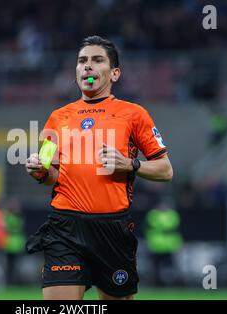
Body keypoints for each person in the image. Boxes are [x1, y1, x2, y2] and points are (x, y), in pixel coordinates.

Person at [25, 36, 173, 300]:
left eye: (97, 60)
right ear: (75, 72)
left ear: (115, 73)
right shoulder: (57, 118)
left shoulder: (134, 114)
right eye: (82, 61)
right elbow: (50, 174)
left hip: (112, 229)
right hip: (65, 227)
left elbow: (166, 170)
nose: (87, 67)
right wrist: (40, 170)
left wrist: (130, 163)